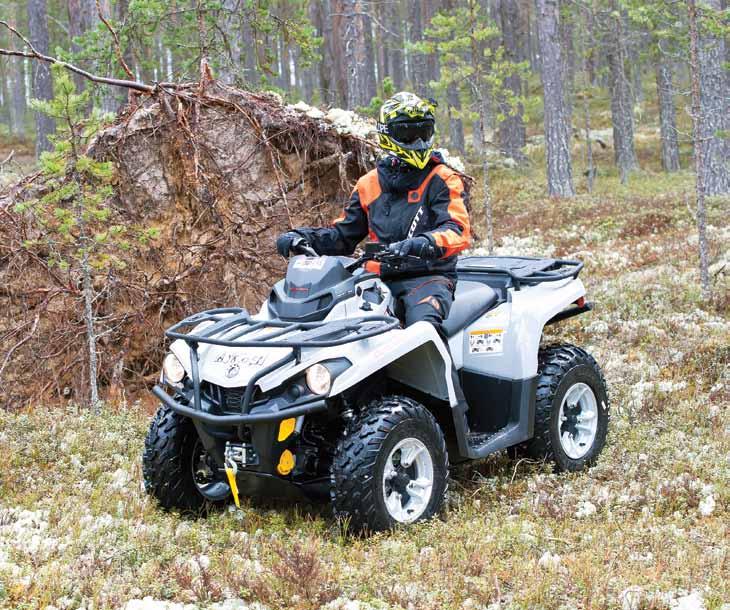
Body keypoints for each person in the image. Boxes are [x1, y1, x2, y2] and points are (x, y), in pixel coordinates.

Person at [276, 91, 471, 338]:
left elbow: (457, 230)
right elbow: (342, 236)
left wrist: (421, 244)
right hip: (375, 279)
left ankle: (446, 377)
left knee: (424, 333)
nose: (418, 141)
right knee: (335, 328)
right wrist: (300, 237)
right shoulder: (369, 183)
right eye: (408, 134)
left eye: (424, 132)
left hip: (428, 278)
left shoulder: (442, 178)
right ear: (388, 134)